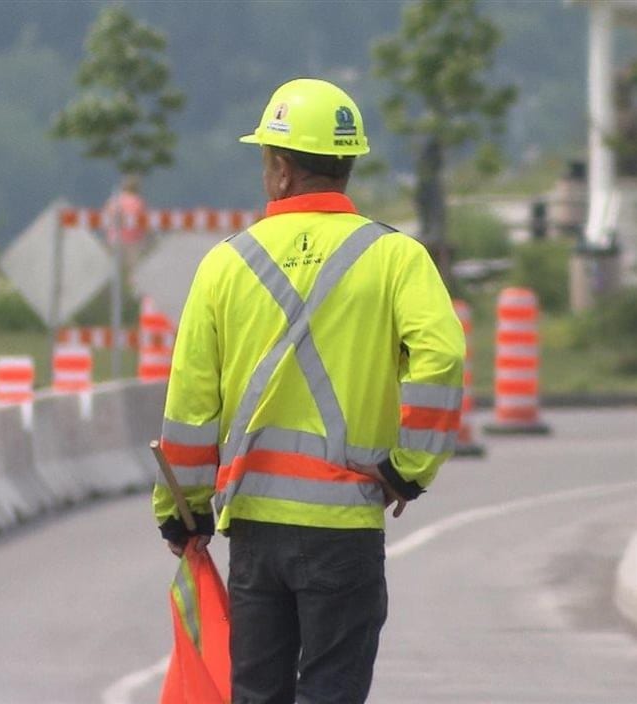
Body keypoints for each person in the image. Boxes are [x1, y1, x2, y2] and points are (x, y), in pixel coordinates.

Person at [152, 78, 465, 704]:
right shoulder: (396, 258)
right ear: (347, 165)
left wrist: (182, 510)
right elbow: (444, 354)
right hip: (346, 530)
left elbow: (190, 405)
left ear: (280, 168)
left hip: (256, 535)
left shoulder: (224, 265)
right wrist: (408, 469)